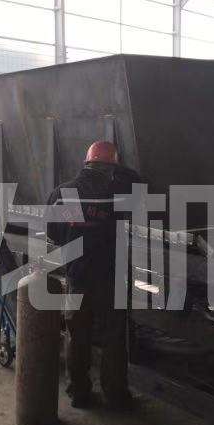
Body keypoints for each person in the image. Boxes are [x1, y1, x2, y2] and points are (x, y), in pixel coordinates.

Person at [47, 141, 143, 410]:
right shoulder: (119, 193)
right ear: (112, 167)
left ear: (86, 163)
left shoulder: (61, 193)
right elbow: (138, 185)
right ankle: (116, 395)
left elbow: (54, 234)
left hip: (77, 275)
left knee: (77, 335)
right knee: (114, 337)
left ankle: (78, 393)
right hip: (110, 277)